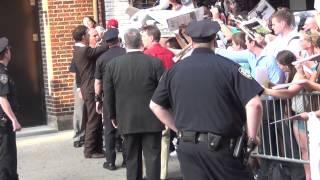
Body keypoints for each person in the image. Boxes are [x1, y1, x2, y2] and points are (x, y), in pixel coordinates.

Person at [150, 19, 263, 180]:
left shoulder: (173, 71)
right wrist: (252, 138)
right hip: (223, 149)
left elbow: (155, 106)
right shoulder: (230, 68)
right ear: (214, 40)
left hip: (188, 148)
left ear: (191, 41)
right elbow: (255, 104)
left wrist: (179, 130)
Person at [104, 28, 164, 180]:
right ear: (141, 42)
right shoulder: (155, 63)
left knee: (131, 159)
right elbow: (163, 91)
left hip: (127, 117)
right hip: (152, 118)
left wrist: (112, 115)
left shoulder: (113, 65)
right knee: (153, 158)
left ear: (125, 44)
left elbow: (108, 93)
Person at [141, 25, 175, 180]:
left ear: (151, 37)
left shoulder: (146, 55)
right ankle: (162, 173)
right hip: (168, 103)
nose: (142, 39)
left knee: (149, 143)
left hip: (150, 103)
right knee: (165, 139)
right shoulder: (169, 54)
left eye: (144, 36)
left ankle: (151, 173)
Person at [72, 25, 108, 158]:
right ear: (83, 37)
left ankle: (97, 148)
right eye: (88, 34)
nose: (89, 36)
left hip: (86, 87)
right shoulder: (84, 50)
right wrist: (105, 37)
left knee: (95, 118)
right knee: (93, 119)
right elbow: (102, 48)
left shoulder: (77, 49)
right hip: (90, 88)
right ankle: (89, 150)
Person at [94, 28, 126, 170]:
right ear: (118, 39)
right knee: (126, 128)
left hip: (109, 97)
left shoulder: (101, 59)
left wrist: (97, 99)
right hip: (126, 96)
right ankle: (127, 159)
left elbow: (98, 82)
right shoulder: (126, 54)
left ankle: (111, 161)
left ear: (107, 42)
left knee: (109, 130)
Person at [0, 37, 22, 180]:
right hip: (4, 123)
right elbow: (2, 98)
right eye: (9, 49)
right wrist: (13, 119)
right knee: (7, 158)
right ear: (6, 52)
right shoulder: (2, 73)